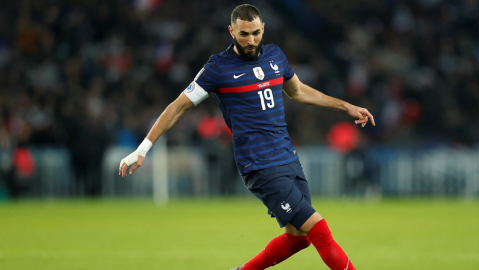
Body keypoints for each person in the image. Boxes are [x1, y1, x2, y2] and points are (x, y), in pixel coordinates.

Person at [119, 4, 375, 270]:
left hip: (288, 158)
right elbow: (177, 107)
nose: (251, 40)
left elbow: (298, 92)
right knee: (319, 230)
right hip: (260, 165)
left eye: (255, 33)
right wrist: (143, 148)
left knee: (299, 238)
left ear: (263, 28)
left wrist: (346, 106)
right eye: (243, 34)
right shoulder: (217, 68)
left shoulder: (275, 56)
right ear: (231, 31)